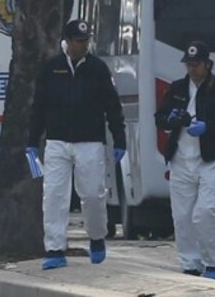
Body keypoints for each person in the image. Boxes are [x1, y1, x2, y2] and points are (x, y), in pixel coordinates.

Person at [28, 19, 127, 270]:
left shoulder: (97, 69)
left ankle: (96, 236)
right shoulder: (51, 69)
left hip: (89, 141)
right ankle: (54, 248)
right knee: (54, 196)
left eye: (86, 41)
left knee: (93, 194)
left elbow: (112, 107)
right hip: (57, 141)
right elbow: (38, 107)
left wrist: (119, 138)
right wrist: (32, 141)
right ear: (68, 41)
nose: (84, 45)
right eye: (80, 41)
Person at [154, 41, 215, 280]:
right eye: (188, 65)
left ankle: (213, 263)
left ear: (207, 64)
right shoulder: (177, 88)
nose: (192, 70)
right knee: (182, 216)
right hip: (181, 159)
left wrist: (209, 127)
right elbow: (159, 118)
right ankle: (190, 263)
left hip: (211, 159)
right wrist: (171, 119)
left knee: (206, 212)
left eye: (196, 65)